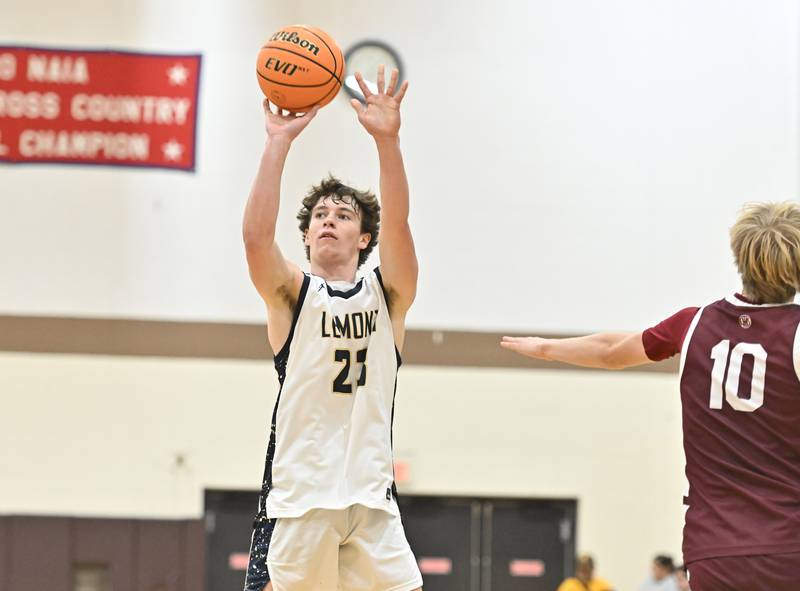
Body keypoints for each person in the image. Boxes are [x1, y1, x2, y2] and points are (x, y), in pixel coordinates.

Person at [502, 202, 800, 590]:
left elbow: (612, 351)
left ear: (739, 258)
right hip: (788, 544)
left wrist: (545, 348)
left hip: (713, 550)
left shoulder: (694, 324)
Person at [242, 65, 422, 591]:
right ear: (306, 234)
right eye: (319, 214)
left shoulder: (387, 296)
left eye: (342, 215)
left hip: (371, 496)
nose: (327, 220)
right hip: (300, 498)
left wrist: (387, 142)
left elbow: (401, 226)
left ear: (365, 237)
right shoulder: (292, 296)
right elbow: (255, 240)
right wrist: (276, 143)